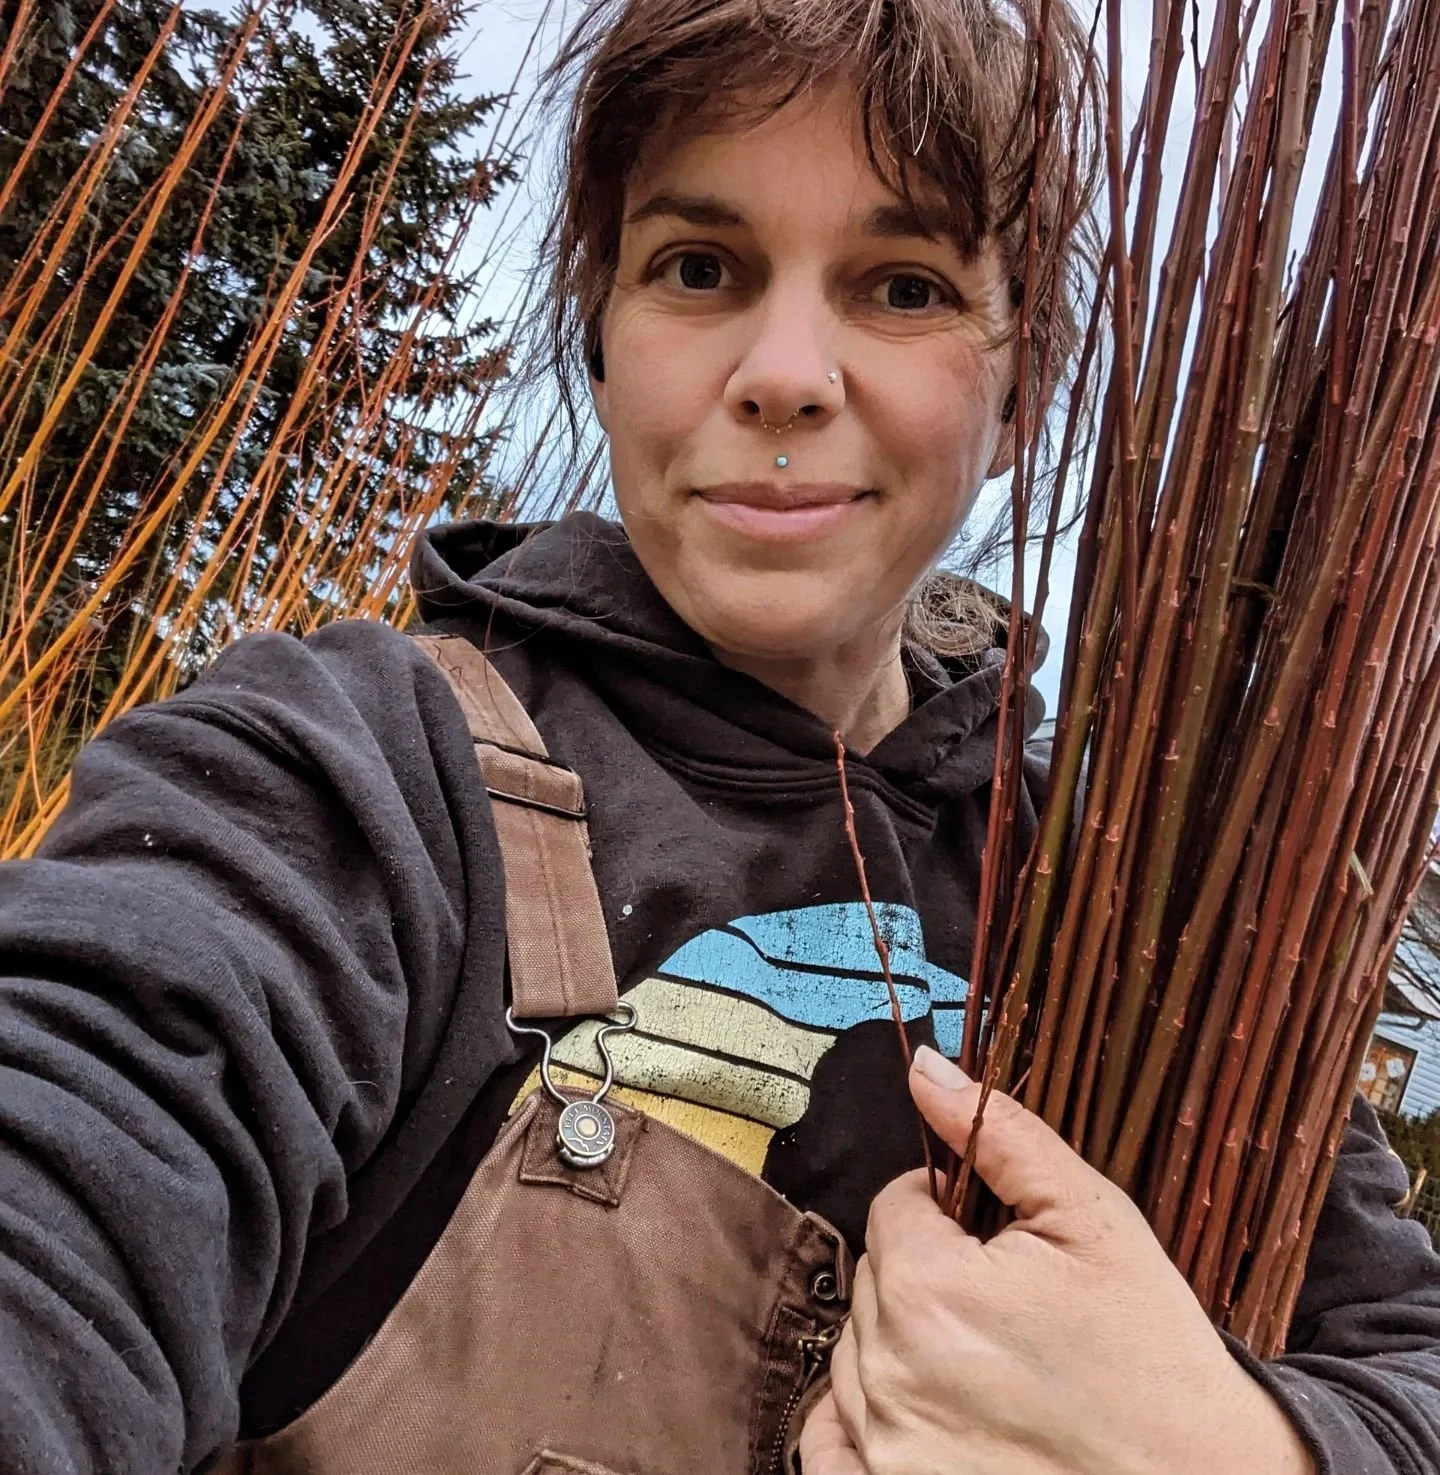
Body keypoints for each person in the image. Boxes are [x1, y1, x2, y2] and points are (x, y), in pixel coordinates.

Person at [1, 0, 1438, 1471]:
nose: (788, 373)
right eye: (700, 267)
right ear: (601, 337)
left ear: (1025, 388)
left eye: (901, 286)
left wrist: (1250, 1446)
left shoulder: (1143, 908)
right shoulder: (352, 778)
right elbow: (70, 1161)